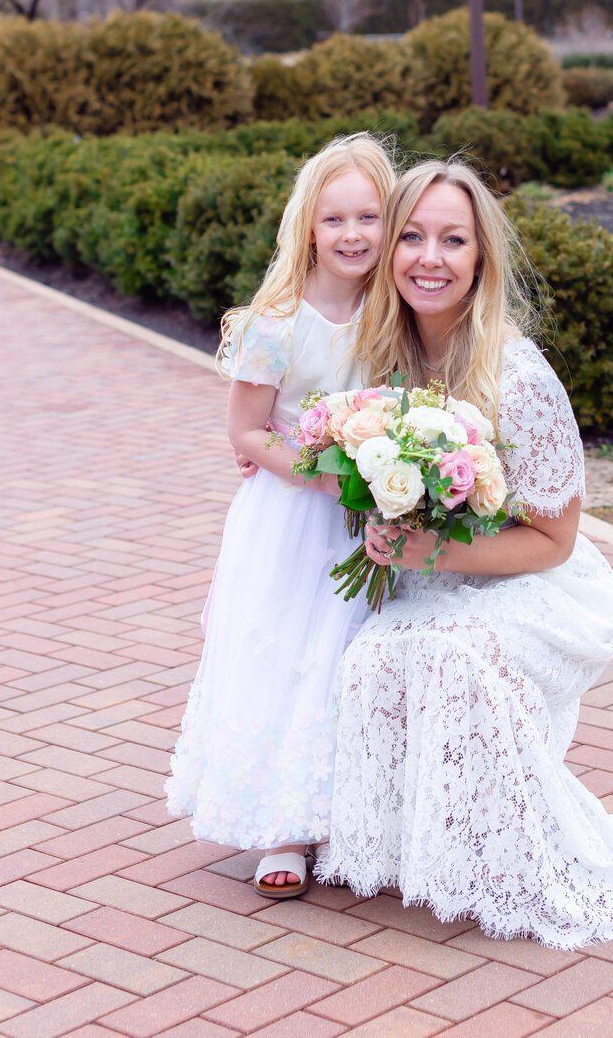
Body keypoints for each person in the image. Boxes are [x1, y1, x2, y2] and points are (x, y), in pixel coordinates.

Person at [315, 159, 613, 947]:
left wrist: (429, 551)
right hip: (437, 574)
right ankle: (422, 849)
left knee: (454, 655)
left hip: (539, 584)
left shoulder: (515, 372)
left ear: (480, 260)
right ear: (390, 251)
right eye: (414, 237)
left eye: (453, 240)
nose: (431, 258)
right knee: (370, 655)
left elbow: (554, 539)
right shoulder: (381, 364)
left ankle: (509, 861)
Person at [166, 133, 395, 900]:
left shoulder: (391, 311)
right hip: (296, 516)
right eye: (336, 220)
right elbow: (245, 432)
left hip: (374, 510)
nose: (354, 235)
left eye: (369, 216)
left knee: (352, 659)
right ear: (308, 228)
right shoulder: (277, 320)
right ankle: (284, 826)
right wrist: (321, 474)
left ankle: (351, 814)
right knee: (287, 653)